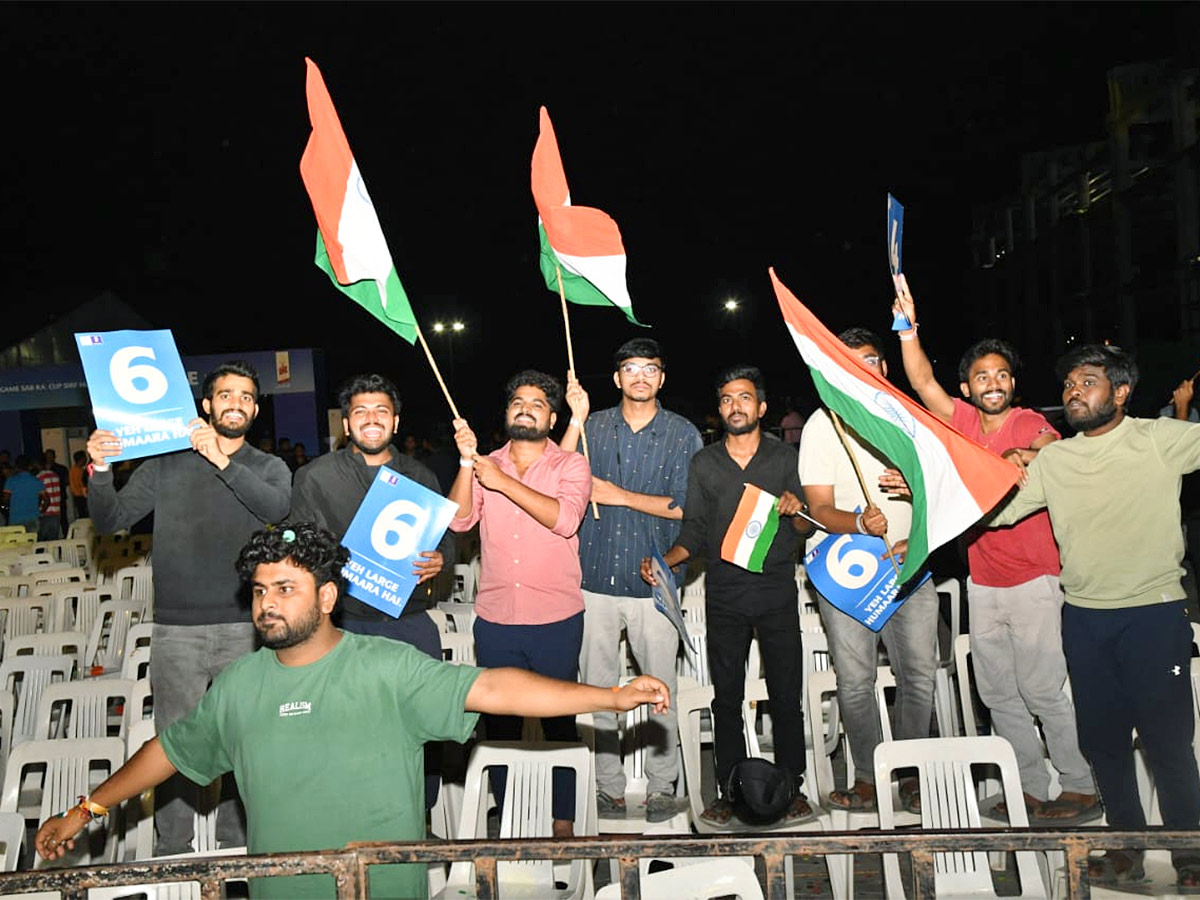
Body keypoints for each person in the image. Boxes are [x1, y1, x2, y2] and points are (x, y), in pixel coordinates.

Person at [34, 522, 671, 900]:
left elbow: (498, 690)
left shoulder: (385, 667)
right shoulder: (236, 685)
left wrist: (611, 697)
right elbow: (169, 752)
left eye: (286, 589)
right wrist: (86, 807)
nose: (267, 605)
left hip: (381, 890)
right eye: (259, 591)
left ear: (329, 596)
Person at [988, 344, 1200, 887]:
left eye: (1087, 382)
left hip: (1153, 615)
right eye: (1068, 385)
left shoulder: (1159, 439)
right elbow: (999, 512)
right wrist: (922, 494)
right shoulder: (1055, 460)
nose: (1073, 392)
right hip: (1084, 619)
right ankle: (1126, 848)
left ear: (1122, 393)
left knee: (1167, 741)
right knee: (1103, 742)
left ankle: (1188, 852)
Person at [890, 279, 1098, 822]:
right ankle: (1029, 787)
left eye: (1002, 375)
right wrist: (908, 328)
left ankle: (1078, 785)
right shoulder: (959, 423)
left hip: (1034, 580)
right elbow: (920, 380)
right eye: (982, 376)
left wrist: (1023, 450)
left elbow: (1049, 446)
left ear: (1012, 385)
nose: (994, 383)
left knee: (1042, 689)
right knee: (998, 692)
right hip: (982, 582)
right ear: (967, 387)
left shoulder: (1026, 420)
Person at [87, 360, 292, 856]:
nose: (236, 404)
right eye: (226, 395)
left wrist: (222, 462)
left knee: (244, 743)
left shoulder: (269, 467)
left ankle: (237, 854)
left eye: (245, 397)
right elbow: (111, 518)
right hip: (176, 631)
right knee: (173, 745)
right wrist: (99, 467)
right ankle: (173, 855)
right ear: (206, 405)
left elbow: (276, 510)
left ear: (256, 409)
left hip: (246, 629)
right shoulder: (166, 462)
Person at [643, 365, 815, 825]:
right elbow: (695, 530)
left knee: (785, 695)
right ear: (719, 412)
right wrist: (668, 560)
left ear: (760, 407)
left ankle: (792, 785)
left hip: (776, 588)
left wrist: (797, 511)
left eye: (743, 398)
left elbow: (805, 526)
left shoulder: (786, 459)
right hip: (724, 592)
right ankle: (728, 789)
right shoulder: (705, 463)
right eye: (725, 399)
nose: (734, 406)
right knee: (726, 697)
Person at [797, 328, 941, 815]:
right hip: (849, 574)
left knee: (919, 675)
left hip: (911, 565)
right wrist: (857, 521)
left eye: (873, 359)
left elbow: (946, 496)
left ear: (885, 366)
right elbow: (817, 507)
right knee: (855, 680)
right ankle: (866, 775)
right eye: (852, 360)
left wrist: (917, 501)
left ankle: (912, 769)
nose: (865, 368)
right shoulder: (824, 423)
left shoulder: (912, 421)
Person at [561, 338, 702, 822]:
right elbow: (554, 482)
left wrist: (619, 495)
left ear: (662, 378)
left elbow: (687, 508)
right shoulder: (592, 428)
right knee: (596, 687)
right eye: (630, 369)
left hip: (655, 580)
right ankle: (607, 788)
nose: (640, 376)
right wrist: (573, 418)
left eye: (650, 369)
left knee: (661, 687)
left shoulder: (683, 434)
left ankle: (664, 786)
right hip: (593, 577)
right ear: (617, 377)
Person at [448, 370, 591, 837]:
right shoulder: (486, 463)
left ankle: (563, 820)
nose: (525, 408)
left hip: (555, 619)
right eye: (517, 402)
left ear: (552, 417)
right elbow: (460, 521)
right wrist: (468, 464)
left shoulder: (570, 465)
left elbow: (566, 519)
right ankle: (510, 815)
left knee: (559, 723)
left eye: (536, 403)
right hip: (496, 620)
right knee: (501, 726)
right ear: (506, 413)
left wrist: (505, 483)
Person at [291, 373, 450, 657]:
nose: (372, 419)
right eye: (360, 411)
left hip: (409, 619)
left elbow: (446, 540)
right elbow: (300, 549)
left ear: (396, 422)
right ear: (346, 425)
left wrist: (441, 558)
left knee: (424, 701)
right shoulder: (315, 477)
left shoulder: (421, 477)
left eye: (382, 411)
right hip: (343, 624)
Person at [2, 455, 45, 532]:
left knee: (17, 542)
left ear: (17, 466)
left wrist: (8, 508)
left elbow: (5, 499)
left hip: (15, 518)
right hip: (33, 518)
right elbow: (47, 500)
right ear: (29, 466)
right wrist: (40, 511)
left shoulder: (11, 481)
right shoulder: (37, 481)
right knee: (32, 542)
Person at [35, 453, 64, 540]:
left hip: (45, 512)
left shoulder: (39, 477)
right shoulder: (55, 475)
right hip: (56, 511)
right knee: (54, 540)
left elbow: (41, 497)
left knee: (42, 540)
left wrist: (40, 511)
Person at [69, 450, 89, 520]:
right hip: (81, 496)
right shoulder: (79, 471)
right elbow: (82, 483)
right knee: (85, 517)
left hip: (78, 496)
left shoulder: (73, 470)